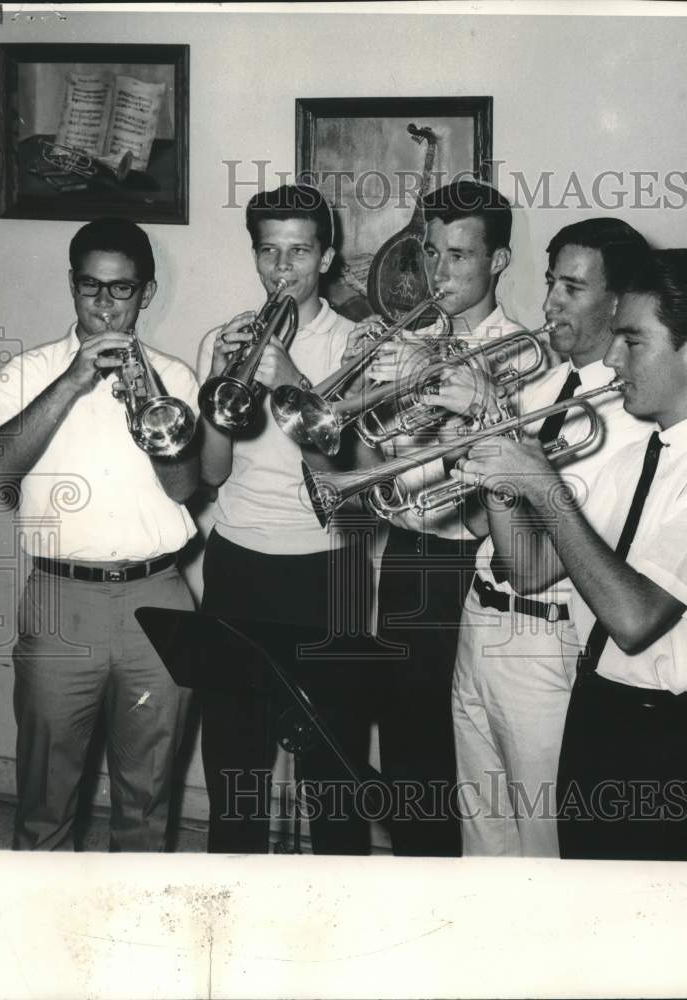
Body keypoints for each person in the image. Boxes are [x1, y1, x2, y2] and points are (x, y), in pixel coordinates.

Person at [454, 248, 687, 860]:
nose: (611, 357)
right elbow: (528, 571)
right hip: (598, 712)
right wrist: (502, 469)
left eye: (632, 340)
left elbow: (633, 621)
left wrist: (546, 490)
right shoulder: (638, 458)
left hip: (673, 741)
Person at [0, 218, 201, 851]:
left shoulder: (175, 378)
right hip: (60, 600)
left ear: (146, 294)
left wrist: (148, 400)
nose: (105, 306)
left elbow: (185, 488)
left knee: (149, 798)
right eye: (90, 288)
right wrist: (74, 381)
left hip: (158, 595)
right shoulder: (29, 371)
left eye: (121, 290)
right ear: (72, 287)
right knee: (45, 797)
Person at [448, 218, 653, 857]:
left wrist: (497, 425)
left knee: (544, 847)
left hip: (544, 643)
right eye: (549, 282)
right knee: (481, 841)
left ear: (618, 303)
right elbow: (481, 523)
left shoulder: (629, 420)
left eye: (572, 287)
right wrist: (472, 435)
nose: (548, 304)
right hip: (477, 624)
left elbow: (532, 567)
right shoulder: (536, 387)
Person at [197, 183, 374, 855]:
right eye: (268, 251)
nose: (281, 269)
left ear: (326, 258)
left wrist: (292, 379)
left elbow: (353, 475)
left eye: (299, 251)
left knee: (333, 768)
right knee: (234, 762)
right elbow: (212, 474)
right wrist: (218, 381)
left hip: (327, 564)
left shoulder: (356, 342)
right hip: (239, 558)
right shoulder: (225, 336)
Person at [352, 179, 524, 856]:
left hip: (472, 564)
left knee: (464, 754)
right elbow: (370, 470)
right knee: (403, 745)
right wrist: (363, 389)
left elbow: (500, 491)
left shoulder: (520, 353)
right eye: (433, 252)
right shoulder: (409, 339)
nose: (441, 271)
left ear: (498, 261)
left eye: (460, 254)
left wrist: (448, 388)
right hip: (405, 556)